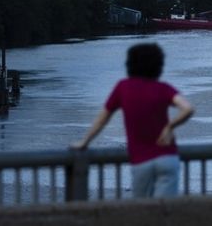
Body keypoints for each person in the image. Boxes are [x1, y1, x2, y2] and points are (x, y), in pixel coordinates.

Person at [72, 43, 194, 198]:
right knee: (165, 213)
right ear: (158, 65)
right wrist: (170, 127)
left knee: (143, 212)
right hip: (167, 158)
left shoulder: (123, 88)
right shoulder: (163, 88)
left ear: (130, 64)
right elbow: (188, 108)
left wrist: (85, 142)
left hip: (141, 161)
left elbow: (102, 119)